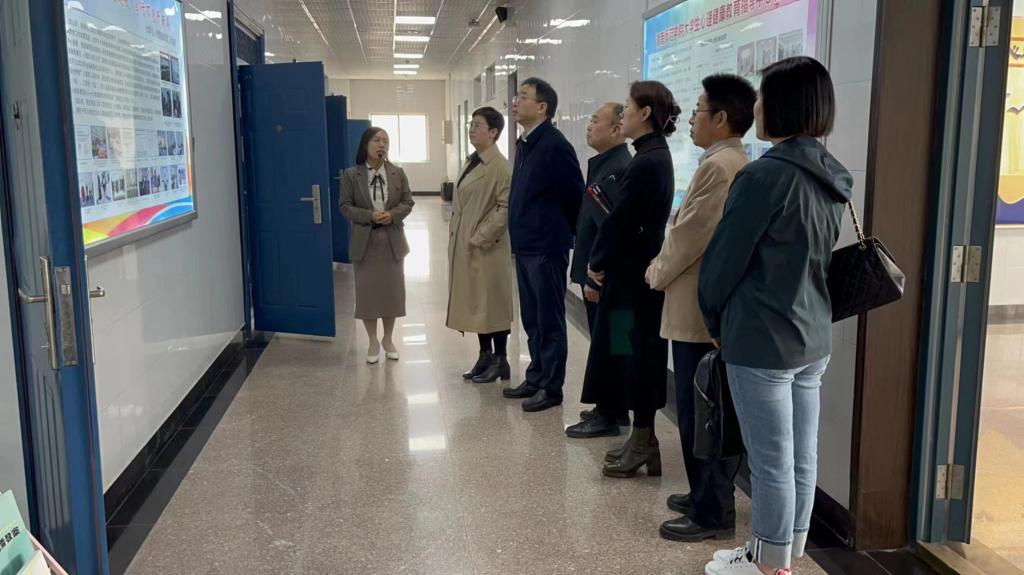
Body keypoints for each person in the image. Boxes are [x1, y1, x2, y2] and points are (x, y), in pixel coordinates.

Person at [699, 56, 850, 575]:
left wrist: (713, 321)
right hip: (813, 334)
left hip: (762, 338)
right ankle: (789, 549)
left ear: (782, 106)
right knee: (800, 454)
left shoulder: (764, 177)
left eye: (762, 97)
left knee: (770, 461)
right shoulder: (832, 174)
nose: (757, 107)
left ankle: (765, 564)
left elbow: (723, 264)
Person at [645, 74, 755, 543]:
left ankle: (712, 512)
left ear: (721, 118)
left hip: (697, 310)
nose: (690, 119)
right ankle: (701, 495)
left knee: (703, 414)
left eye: (697, 111)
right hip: (697, 306)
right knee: (700, 410)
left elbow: (691, 234)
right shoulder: (724, 161)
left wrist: (655, 272)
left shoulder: (721, 167)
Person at [584, 80, 679, 478]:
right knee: (627, 354)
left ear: (645, 113)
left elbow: (621, 221)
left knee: (638, 357)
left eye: (627, 107)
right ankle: (641, 439)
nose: (622, 114)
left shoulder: (648, 161)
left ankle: (643, 442)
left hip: (634, 280)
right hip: (631, 275)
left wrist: (597, 261)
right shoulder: (650, 155)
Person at [502, 77, 585, 413]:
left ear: (542, 107)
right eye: (516, 96)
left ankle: (551, 387)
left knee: (549, 320)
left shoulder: (554, 145)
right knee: (532, 319)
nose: (515, 101)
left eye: (523, 97)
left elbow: (574, 197)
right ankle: (536, 376)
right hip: (525, 247)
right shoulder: (526, 143)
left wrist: (558, 233)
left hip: (546, 248)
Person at [565, 102, 633, 438]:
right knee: (610, 342)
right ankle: (613, 408)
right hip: (602, 274)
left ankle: (610, 413)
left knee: (612, 344)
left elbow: (613, 229)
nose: (589, 126)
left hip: (606, 278)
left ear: (617, 129)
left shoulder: (617, 169)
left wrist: (596, 274)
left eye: (596, 121)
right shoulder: (606, 164)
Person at [447, 107, 515, 383]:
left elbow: (506, 208)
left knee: (492, 305)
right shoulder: (473, 161)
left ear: (494, 132)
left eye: (478, 125)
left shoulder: (500, 167)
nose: (472, 129)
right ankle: (484, 356)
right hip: (468, 245)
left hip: (487, 248)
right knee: (477, 304)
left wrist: (480, 237)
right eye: (471, 124)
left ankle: (501, 360)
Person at [339, 127, 415, 365]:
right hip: (365, 241)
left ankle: (388, 339)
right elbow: (345, 206)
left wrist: (392, 215)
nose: (382, 144)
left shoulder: (397, 173)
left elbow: (408, 202)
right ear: (365, 144)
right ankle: (372, 340)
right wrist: (369, 215)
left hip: (392, 240)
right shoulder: (351, 175)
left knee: (391, 293)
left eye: (385, 141)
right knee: (368, 294)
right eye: (377, 140)